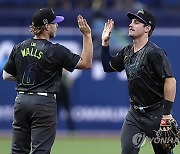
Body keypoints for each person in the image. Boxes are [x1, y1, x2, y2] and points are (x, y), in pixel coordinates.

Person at [2, 7, 93, 154]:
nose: (56, 25)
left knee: (18, 151)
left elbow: (6, 75)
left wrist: (32, 78)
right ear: (46, 26)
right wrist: (87, 35)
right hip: (43, 103)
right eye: (54, 23)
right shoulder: (55, 50)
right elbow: (86, 63)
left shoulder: (19, 47)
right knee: (41, 150)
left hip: (21, 100)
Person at [101, 9, 176, 154]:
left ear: (147, 28)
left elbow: (170, 81)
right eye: (131, 21)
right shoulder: (127, 51)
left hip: (156, 114)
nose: (131, 24)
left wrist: (166, 114)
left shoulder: (155, 53)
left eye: (136, 22)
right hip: (135, 115)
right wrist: (105, 42)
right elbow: (107, 66)